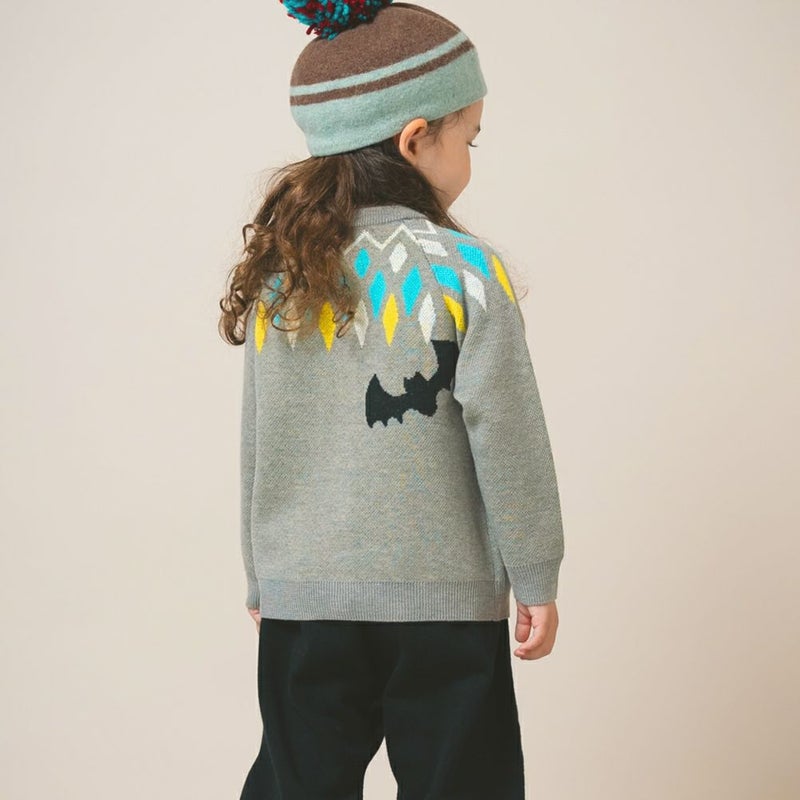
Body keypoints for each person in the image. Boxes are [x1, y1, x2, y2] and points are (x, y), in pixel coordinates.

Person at [219, 2, 566, 798]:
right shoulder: (465, 273)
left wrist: (262, 575)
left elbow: (259, 439)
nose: (471, 156)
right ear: (415, 140)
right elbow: (510, 437)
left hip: (307, 599)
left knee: (298, 787)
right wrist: (536, 574)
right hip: (445, 605)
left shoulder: (283, 277)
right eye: (469, 137)